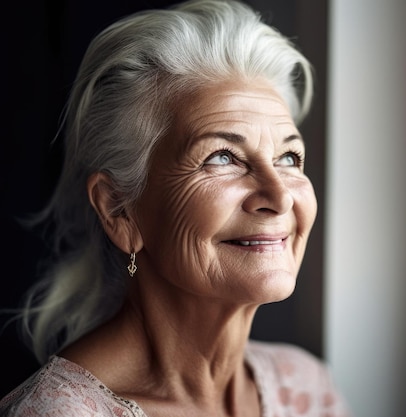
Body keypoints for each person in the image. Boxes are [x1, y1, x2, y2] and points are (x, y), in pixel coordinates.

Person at [0, 0, 351, 416]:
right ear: (120, 210)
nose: (280, 198)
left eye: (289, 158)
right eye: (223, 157)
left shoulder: (306, 387)